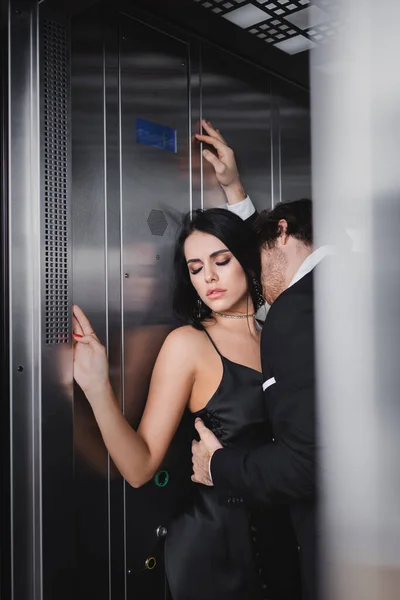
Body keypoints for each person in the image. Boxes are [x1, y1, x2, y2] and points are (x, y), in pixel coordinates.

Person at [72, 206, 301, 600]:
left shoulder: (276, 333)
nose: (208, 277)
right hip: (213, 549)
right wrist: (96, 388)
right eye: (195, 268)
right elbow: (139, 467)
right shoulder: (188, 345)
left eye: (221, 261)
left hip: (280, 539)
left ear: (246, 261)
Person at [192, 121, 324, 600]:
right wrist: (233, 188)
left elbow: (308, 465)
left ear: (283, 232)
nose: (250, 275)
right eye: (196, 268)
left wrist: (218, 465)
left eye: (245, 259)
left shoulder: (297, 309)